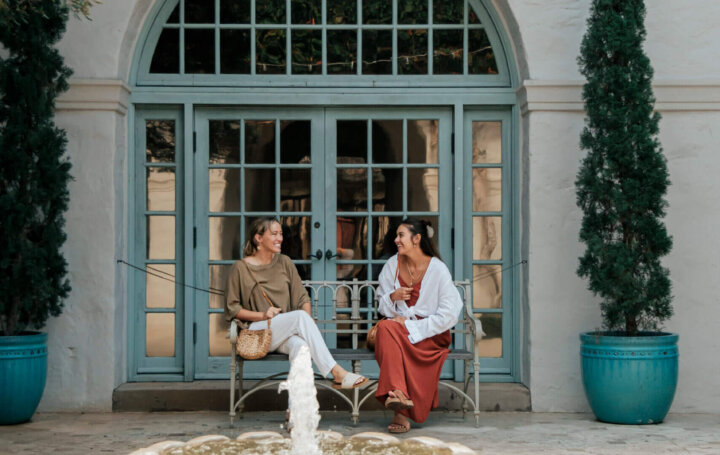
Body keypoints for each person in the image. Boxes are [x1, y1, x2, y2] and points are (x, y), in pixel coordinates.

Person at [225, 216, 368, 391]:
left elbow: (302, 298)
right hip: (257, 333)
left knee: (301, 348)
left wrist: (306, 322)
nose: (280, 238)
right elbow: (233, 309)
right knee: (300, 317)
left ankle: (296, 411)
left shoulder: (284, 262)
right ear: (258, 238)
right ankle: (336, 372)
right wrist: (263, 315)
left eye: (281, 234)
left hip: (283, 330)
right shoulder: (240, 268)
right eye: (274, 234)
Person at [374, 218, 463, 433]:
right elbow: (382, 305)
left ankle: (399, 405)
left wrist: (412, 326)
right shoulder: (392, 266)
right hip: (397, 333)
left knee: (387, 331)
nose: (396, 240)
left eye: (401, 235)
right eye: (396, 236)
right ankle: (399, 397)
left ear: (417, 239)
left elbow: (450, 314)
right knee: (386, 329)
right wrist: (393, 297)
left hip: (430, 336)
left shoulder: (438, 270)